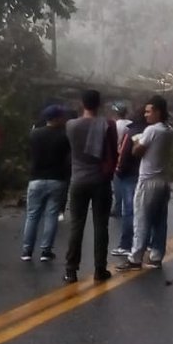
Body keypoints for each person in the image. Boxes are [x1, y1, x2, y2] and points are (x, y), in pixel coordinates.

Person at [64, 90, 118, 284]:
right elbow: (113, 151)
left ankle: (71, 270)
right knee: (100, 225)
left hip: (78, 180)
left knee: (76, 225)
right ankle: (99, 269)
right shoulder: (107, 124)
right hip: (101, 181)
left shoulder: (71, 125)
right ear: (100, 104)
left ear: (82, 103)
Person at [117, 95, 173, 271]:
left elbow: (137, 152)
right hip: (163, 180)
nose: (146, 115)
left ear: (158, 111)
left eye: (149, 111)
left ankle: (135, 258)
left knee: (141, 219)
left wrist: (136, 141)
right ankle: (156, 256)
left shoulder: (151, 130)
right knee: (159, 221)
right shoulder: (169, 129)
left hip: (148, 180)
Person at [21, 106, 71, 262]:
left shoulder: (34, 134)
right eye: (61, 117)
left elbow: (28, 153)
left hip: (36, 179)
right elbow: (68, 158)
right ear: (56, 118)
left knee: (32, 215)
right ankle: (46, 251)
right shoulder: (64, 136)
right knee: (51, 215)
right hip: (57, 179)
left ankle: (27, 250)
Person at [111, 106, 144, 257]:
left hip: (128, 170)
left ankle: (126, 244)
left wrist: (118, 168)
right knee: (141, 209)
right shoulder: (154, 130)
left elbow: (124, 150)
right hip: (143, 172)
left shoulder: (126, 128)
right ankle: (146, 243)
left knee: (128, 208)